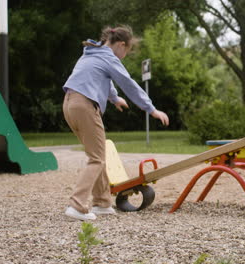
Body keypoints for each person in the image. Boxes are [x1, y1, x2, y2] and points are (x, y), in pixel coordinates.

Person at [62, 25, 169, 221]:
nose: (123, 56)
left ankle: (102, 202)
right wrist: (151, 109)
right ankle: (76, 205)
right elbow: (128, 83)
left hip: (70, 104)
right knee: (96, 158)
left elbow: (102, 76)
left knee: (98, 153)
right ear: (121, 44)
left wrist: (114, 98)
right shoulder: (109, 57)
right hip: (85, 105)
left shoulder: (92, 53)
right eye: (126, 51)